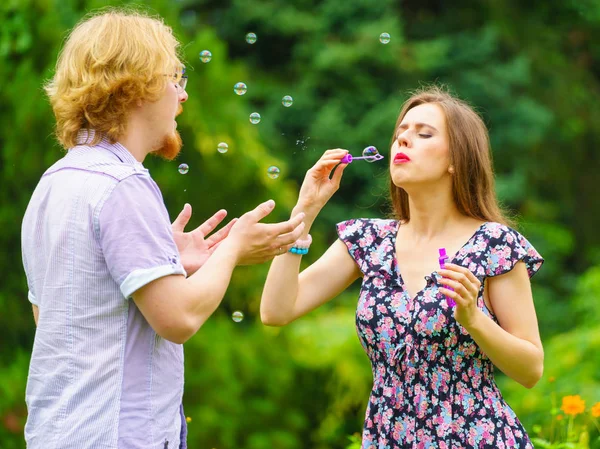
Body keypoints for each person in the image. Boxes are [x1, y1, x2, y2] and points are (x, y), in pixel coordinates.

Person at [20, 8, 305, 449]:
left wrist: (165, 263)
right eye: (175, 78)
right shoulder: (124, 185)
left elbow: (56, 318)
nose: (182, 96)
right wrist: (233, 249)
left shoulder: (54, 182)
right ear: (136, 87)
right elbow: (179, 319)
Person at [260, 86, 544, 448]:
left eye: (423, 134)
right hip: (388, 437)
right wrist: (304, 211)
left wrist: (474, 319)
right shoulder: (368, 242)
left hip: (475, 436)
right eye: (399, 134)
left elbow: (531, 369)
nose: (403, 141)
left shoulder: (493, 245)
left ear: (456, 159)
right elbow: (276, 310)